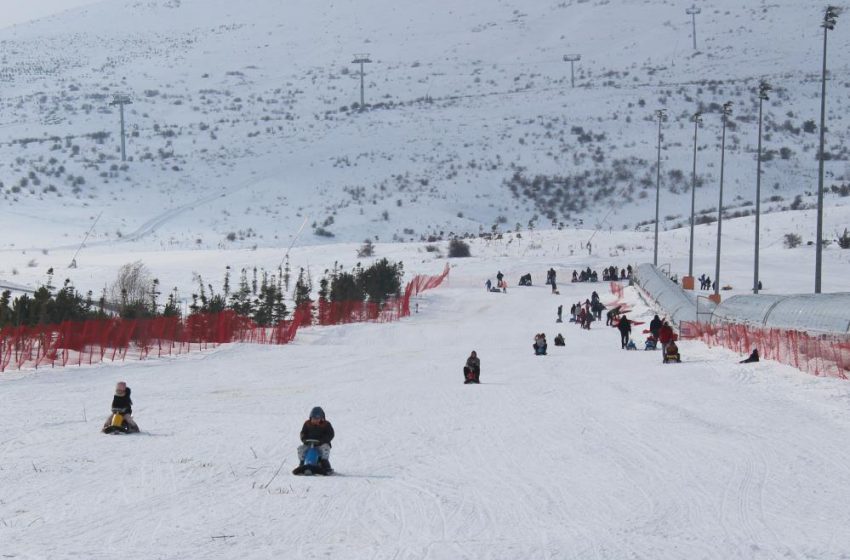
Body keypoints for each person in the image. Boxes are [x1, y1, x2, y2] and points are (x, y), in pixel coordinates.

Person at [294, 406, 335, 474]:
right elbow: (303, 433)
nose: (315, 420)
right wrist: (304, 439)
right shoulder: (307, 424)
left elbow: (331, 434)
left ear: (322, 418)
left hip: (321, 444)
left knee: (325, 448)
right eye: (313, 418)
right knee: (301, 448)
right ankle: (302, 463)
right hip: (309, 444)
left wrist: (323, 440)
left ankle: (325, 463)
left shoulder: (326, 424)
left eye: (317, 419)